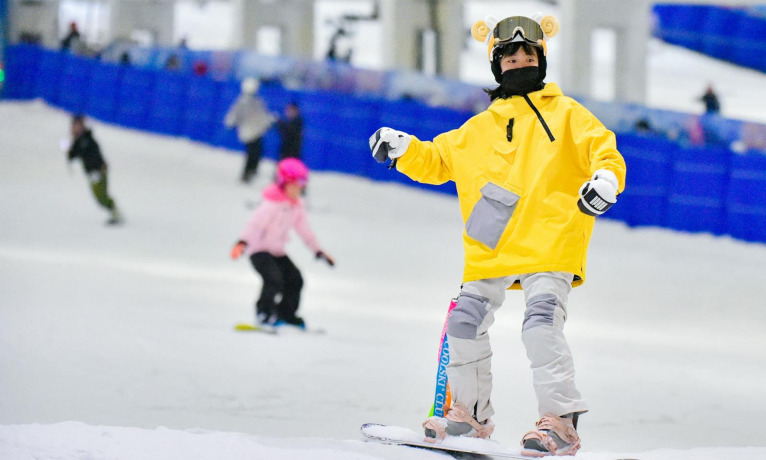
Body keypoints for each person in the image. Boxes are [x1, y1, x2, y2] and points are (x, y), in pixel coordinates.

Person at [368, 14, 626, 456]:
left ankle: (560, 422)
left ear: (541, 61)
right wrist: (405, 149)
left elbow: (603, 149)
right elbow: (437, 160)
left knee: (540, 325)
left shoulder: (566, 114)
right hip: (492, 244)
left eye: (529, 55)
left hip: (551, 236)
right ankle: (468, 415)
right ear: (496, 65)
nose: (520, 62)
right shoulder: (479, 128)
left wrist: (605, 179)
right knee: (464, 321)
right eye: (511, 56)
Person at [230, 159, 335, 330]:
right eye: (295, 184)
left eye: (302, 184)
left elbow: (305, 231)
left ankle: (286, 314)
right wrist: (242, 242)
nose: (299, 189)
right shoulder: (271, 204)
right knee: (273, 280)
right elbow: (255, 225)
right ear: (283, 183)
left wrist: (318, 251)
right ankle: (264, 313)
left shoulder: (295, 206)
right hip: (259, 251)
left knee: (295, 279)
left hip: (277, 251)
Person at [66, 114, 122, 225]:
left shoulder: (87, 139)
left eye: (78, 125)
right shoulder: (79, 140)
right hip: (91, 173)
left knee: (101, 196)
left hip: (98, 170)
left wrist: (98, 169)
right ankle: (113, 210)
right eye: (74, 126)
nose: (76, 128)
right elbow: (72, 155)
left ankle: (114, 211)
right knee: (98, 197)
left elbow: (90, 153)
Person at [224, 78, 276, 183]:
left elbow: (262, 116)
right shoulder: (243, 102)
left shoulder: (256, 101)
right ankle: (247, 174)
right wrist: (230, 122)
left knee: (256, 153)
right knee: (252, 153)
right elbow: (235, 114)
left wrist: (269, 121)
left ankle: (251, 172)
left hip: (256, 131)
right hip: (249, 132)